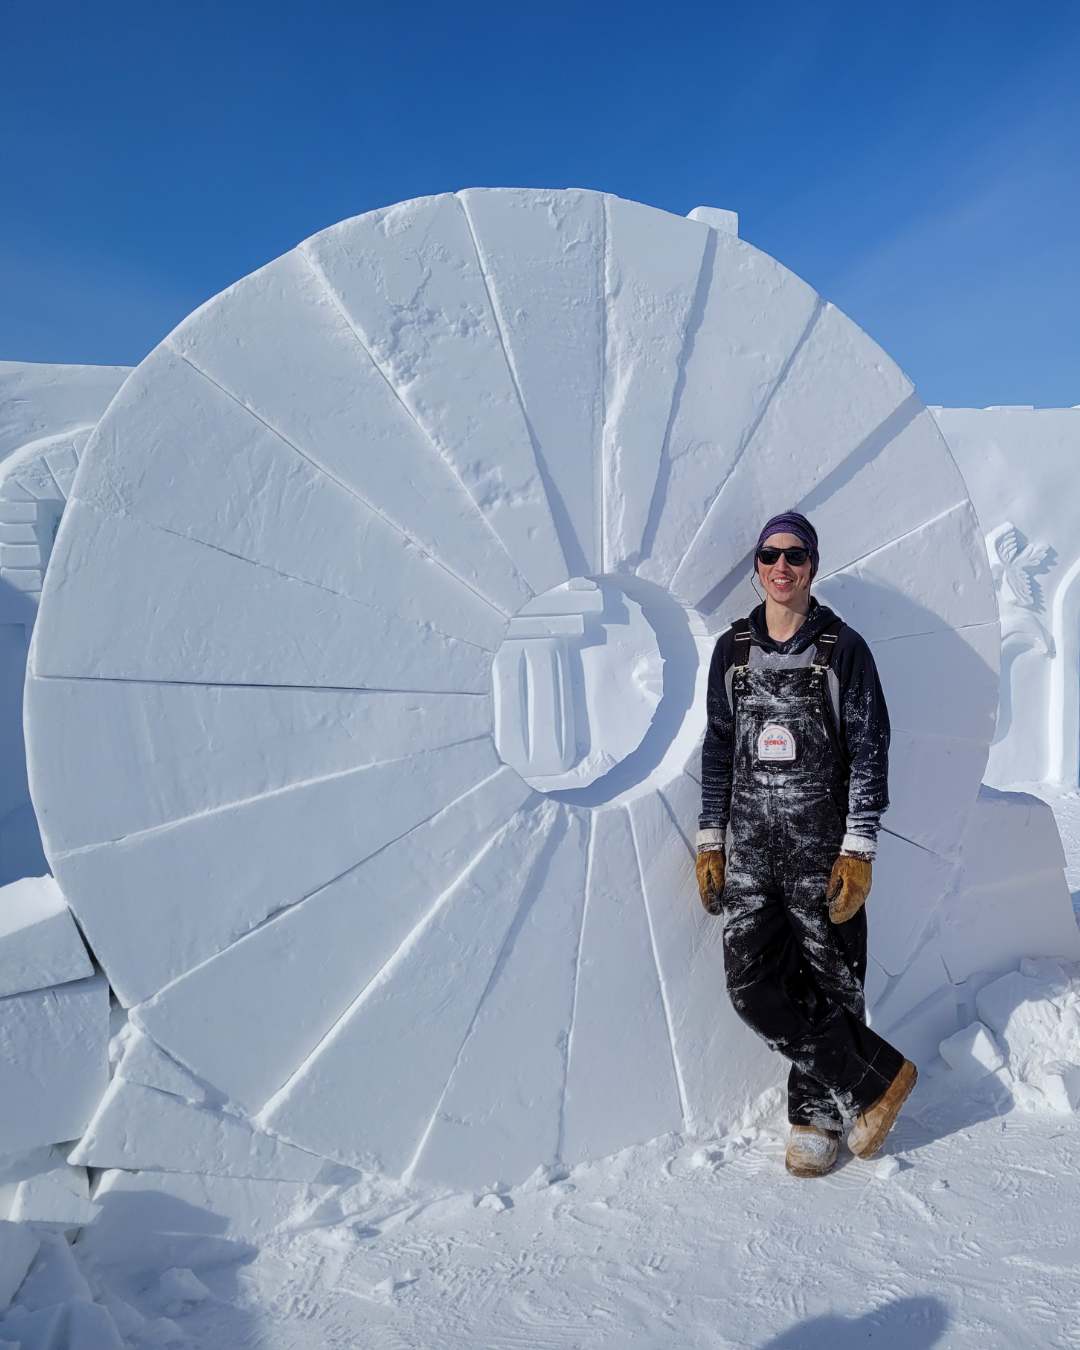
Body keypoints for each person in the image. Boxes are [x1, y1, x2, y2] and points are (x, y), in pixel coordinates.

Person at [695, 510, 916, 1178]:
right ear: (758, 567)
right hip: (753, 855)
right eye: (770, 556)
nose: (782, 568)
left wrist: (859, 849)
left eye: (795, 556)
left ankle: (814, 1115)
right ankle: (877, 1077)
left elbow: (870, 753)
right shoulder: (733, 651)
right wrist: (712, 840)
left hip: (822, 852)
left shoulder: (842, 648)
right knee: (752, 987)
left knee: (832, 980)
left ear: (813, 566)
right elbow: (715, 748)